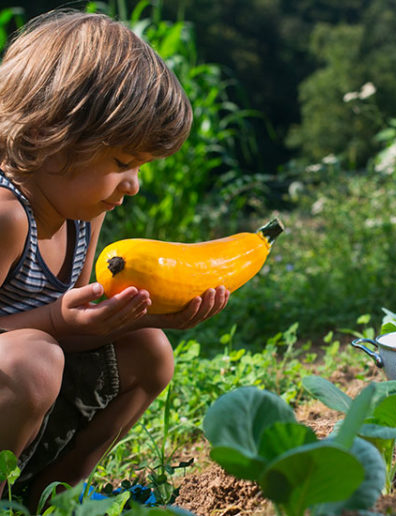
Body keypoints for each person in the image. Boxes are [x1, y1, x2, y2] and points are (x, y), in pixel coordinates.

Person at [0, 9, 230, 505]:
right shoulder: (6, 216)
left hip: (23, 403)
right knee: (33, 362)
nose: (134, 185)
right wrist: (58, 323)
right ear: (51, 137)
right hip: (18, 379)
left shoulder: (82, 214)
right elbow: (53, 331)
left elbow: (83, 320)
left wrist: (146, 316)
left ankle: (51, 497)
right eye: (124, 163)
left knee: (149, 351)